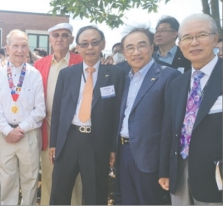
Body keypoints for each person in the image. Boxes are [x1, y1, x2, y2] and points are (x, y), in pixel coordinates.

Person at [48, 25, 125, 205]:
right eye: (84, 44)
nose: (89, 47)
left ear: (102, 44)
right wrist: (54, 143)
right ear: (78, 48)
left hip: (97, 141)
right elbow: (58, 109)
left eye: (94, 43)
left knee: (96, 193)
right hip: (69, 139)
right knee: (59, 191)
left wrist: (113, 147)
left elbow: (117, 114)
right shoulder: (67, 74)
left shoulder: (116, 74)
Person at [159, 13, 222, 205]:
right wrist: (165, 170)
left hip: (215, 175)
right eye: (187, 37)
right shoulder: (177, 83)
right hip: (179, 173)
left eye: (201, 35)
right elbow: (168, 129)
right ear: (179, 44)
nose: (194, 42)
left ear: (215, 38)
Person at [114, 27, 180, 205]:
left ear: (152, 47)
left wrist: (165, 167)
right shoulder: (122, 78)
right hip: (123, 153)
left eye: (141, 46)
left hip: (151, 158)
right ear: (124, 52)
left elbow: (172, 126)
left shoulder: (169, 76)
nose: (136, 52)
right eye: (130, 48)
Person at [0, 29, 45, 205]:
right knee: (7, 181)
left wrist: (20, 129)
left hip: (28, 134)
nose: (20, 50)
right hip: (4, 135)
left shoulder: (35, 74)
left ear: (28, 49)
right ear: (7, 47)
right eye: (16, 46)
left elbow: (40, 109)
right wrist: (8, 131)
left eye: (24, 46)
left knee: (30, 179)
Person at [33, 22, 84, 206]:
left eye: (64, 35)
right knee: (48, 175)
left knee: (74, 178)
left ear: (71, 39)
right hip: (47, 126)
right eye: (56, 35)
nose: (60, 38)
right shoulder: (40, 64)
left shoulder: (81, 61)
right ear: (50, 40)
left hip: (74, 128)